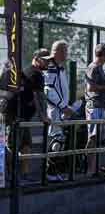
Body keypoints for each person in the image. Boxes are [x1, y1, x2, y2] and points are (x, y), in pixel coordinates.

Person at [4, 49, 51, 183]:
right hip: (15, 117)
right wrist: (43, 116)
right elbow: (37, 97)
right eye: (45, 59)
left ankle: (22, 175)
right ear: (36, 58)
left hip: (22, 116)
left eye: (49, 59)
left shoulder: (30, 72)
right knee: (12, 147)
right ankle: (12, 176)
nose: (48, 62)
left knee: (24, 146)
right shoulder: (35, 74)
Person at [44, 40, 72, 182]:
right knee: (57, 140)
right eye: (65, 51)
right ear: (59, 52)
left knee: (59, 140)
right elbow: (48, 90)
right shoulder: (51, 67)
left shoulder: (59, 67)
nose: (67, 54)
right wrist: (63, 106)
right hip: (54, 111)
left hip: (60, 110)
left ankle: (53, 172)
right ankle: (50, 173)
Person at [85, 43, 105, 177]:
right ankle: (90, 169)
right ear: (104, 54)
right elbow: (91, 88)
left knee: (98, 139)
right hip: (95, 107)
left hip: (101, 108)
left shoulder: (100, 68)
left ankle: (96, 167)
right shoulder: (94, 67)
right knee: (93, 137)